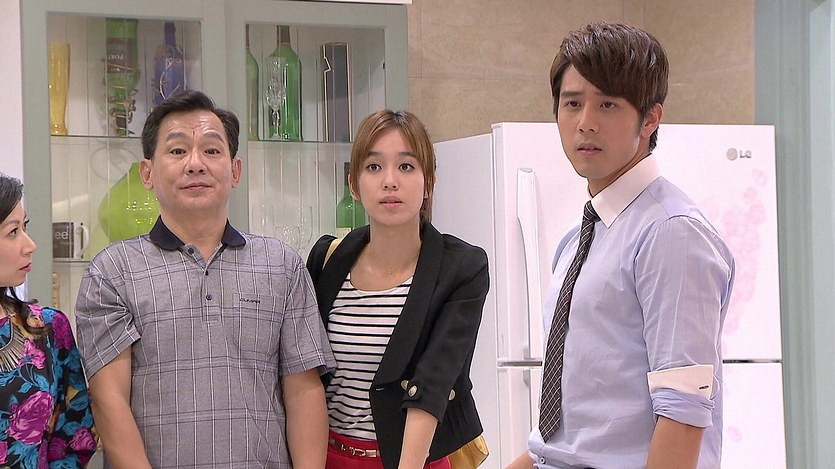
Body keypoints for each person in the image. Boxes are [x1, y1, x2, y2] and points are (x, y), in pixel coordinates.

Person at [508, 22, 735, 469]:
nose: (585, 122)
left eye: (607, 104)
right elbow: (566, 442)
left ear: (650, 118)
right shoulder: (580, 235)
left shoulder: (671, 233)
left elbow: (683, 413)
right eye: (572, 103)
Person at [75, 90, 335, 468]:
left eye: (212, 150)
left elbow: (303, 393)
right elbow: (109, 400)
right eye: (178, 151)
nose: (195, 164)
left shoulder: (281, 266)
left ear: (235, 171)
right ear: (147, 173)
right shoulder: (113, 272)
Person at [306, 110, 489, 469]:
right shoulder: (326, 261)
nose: (390, 181)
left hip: (413, 460)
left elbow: (433, 383)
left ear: (429, 182)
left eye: (406, 166)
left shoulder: (461, 268)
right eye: (374, 167)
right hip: (328, 456)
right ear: (354, 184)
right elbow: (305, 378)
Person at [0, 173, 97, 467]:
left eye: (24, 227)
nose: (30, 245)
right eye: (13, 232)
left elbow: (75, 434)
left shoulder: (47, 329)